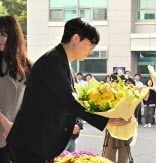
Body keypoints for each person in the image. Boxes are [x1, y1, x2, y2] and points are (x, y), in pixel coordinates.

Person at [6, 18, 130, 163]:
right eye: (91, 45)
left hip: (40, 145)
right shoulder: (52, 62)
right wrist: (107, 120)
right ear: (76, 38)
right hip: (30, 144)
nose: (91, 52)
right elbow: (69, 102)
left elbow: (74, 101)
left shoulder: (64, 64)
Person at [0, 15, 33, 163]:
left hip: (19, 135)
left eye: (3, 34)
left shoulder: (29, 66)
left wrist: (17, 127)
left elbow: (32, 103)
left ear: (13, 35)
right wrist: (5, 123)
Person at [104, 77, 134, 163]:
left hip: (126, 133)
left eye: (129, 83)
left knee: (123, 161)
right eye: (124, 83)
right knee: (108, 160)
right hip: (111, 133)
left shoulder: (134, 96)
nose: (126, 85)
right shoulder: (110, 96)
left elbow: (133, 114)